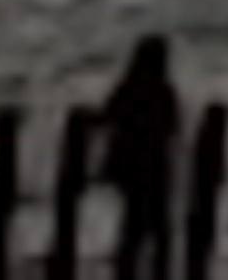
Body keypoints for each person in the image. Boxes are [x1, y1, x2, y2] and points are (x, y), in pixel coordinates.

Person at [96, 39, 182, 280]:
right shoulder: (163, 91)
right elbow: (172, 128)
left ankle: (128, 271)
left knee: (134, 229)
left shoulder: (128, 87)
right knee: (156, 229)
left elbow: (107, 116)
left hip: (132, 169)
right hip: (152, 169)